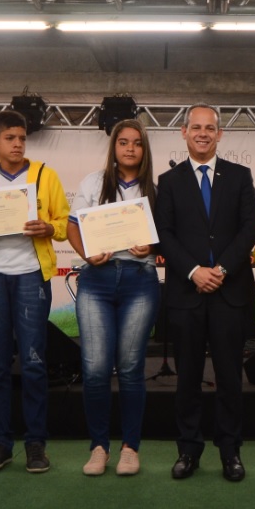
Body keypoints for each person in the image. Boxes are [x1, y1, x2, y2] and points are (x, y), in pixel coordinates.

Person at [155, 104, 255, 482]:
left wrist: (222, 269)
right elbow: (164, 233)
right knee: (187, 379)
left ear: (220, 134)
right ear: (184, 132)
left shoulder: (240, 176)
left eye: (210, 128)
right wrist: (194, 271)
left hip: (230, 293)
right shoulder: (169, 181)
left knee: (230, 379)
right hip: (186, 294)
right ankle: (188, 450)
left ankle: (231, 452)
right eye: (196, 127)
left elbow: (250, 228)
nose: (203, 133)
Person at [0, 110, 69, 474]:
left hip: (31, 275)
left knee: (34, 362)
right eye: (10, 138)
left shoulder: (45, 175)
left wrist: (48, 228)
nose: (18, 144)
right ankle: (0, 443)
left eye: (22, 138)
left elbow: (64, 224)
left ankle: (36, 444)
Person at [67, 119, 159, 476]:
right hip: (97, 281)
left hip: (140, 280)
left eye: (137, 143)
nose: (130, 148)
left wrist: (152, 247)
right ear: (114, 147)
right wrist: (87, 254)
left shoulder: (155, 189)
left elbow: (166, 237)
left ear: (144, 149)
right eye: (123, 142)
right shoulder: (93, 182)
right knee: (95, 369)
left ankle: (130, 448)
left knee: (132, 368)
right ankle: (99, 447)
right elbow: (72, 226)